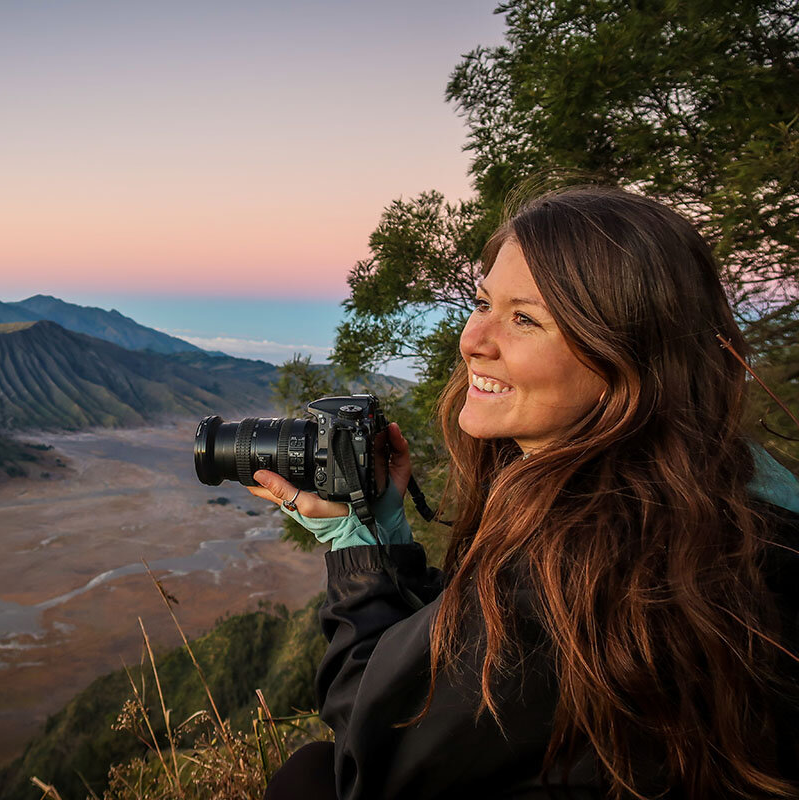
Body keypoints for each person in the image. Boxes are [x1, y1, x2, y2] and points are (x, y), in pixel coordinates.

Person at [248, 187, 799, 800]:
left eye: (525, 318)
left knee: (311, 778)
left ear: (626, 358)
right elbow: (465, 657)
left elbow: (374, 747)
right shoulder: (738, 491)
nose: (474, 340)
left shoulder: (580, 562)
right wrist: (387, 539)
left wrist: (352, 552)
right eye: (483, 302)